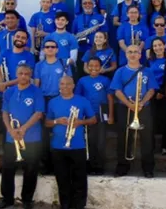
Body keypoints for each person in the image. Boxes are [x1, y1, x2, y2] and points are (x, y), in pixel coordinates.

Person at [0, 64, 44, 209]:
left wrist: (23, 128)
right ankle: (7, 199)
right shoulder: (9, 92)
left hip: (32, 137)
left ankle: (27, 200)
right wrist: (10, 129)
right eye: (21, 73)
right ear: (16, 74)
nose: (23, 76)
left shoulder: (36, 92)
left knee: (31, 170)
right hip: (12, 138)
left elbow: (39, 113)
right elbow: (5, 113)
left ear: (30, 75)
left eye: (26, 74)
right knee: (7, 169)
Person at [45, 76, 97, 209]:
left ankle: (79, 205)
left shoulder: (82, 101)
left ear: (73, 85)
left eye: (68, 84)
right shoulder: (53, 102)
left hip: (78, 145)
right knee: (62, 179)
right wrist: (57, 121)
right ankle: (65, 205)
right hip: (58, 146)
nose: (65, 86)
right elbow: (47, 123)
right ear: (59, 85)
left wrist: (80, 122)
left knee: (79, 179)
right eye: (62, 84)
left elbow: (93, 119)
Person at [110, 45, 158, 178]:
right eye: (129, 52)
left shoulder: (147, 71)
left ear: (140, 54)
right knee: (124, 137)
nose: (132, 54)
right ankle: (122, 166)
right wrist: (129, 104)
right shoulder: (120, 71)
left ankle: (148, 168)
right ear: (126, 55)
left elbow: (151, 90)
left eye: (135, 52)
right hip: (125, 107)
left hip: (144, 107)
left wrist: (141, 103)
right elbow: (117, 91)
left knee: (147, 138)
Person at [34, 40, 73, 174]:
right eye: (47, 47)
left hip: (59, 99)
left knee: (60, 131)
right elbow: (36, 85)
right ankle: (46, 165)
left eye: (53, 47)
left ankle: (62, 164)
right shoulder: (39, 65)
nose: (50, 49)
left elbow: (69, 83)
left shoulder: (64, 64)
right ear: (44, 50)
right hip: (44, 100)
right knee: (44, 134)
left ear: (57, 49)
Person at [75, 57, 115, 175]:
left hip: (102, 113)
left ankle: (100, 166)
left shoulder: (106, 80)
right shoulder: (82, 80)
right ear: (86, 67)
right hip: (87, 115)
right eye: (90, 65)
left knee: (101, 141)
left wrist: (111, 115)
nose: (93, 68)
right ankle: (89, 165)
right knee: (89, 140)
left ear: (101, 67)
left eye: (97, 65)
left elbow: (110, 98)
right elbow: (78, 98)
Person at [146, 37, 166, 156]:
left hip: (165, 94)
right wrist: (153, 92)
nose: (157, 48)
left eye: (160, 45)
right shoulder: (148, 62)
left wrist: (161, 92)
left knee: (165, 121)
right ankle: (150, 147)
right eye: (155, 46)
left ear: (164, 46)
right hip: (150, 94)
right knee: (150, 121)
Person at [72, 0, 108, 78]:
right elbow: (73, 35)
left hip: (97, 51)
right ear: (81, 5)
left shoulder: (100, 18)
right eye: (85, 3)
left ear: (93, 5)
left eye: (89, 3)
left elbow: (105, 34)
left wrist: (104, 49)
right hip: (81, 51)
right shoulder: (77, 19)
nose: (87, 5)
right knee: (81, 75)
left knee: (97, 75)